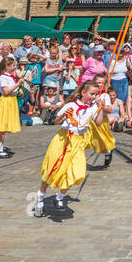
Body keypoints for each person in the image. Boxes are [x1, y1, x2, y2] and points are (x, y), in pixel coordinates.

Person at [33, 79, 102, 217]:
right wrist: (64, 115)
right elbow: (56, 121)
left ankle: (60, 197)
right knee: (53, 168)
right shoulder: (71, 105)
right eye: (92, 94)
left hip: (78, 142)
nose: (94, 97)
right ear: (83, 92)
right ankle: (40, 197)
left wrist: (100, 108)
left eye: (96, 94)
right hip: (63, 139)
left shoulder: (94, 107)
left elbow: (99, 123)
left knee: (75, 170)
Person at [0, 56, 27, 159]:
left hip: (11, 101)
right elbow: (5, 91)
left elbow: (12, 89)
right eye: (13, 65)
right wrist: (17, 84)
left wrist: (19, 91)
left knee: (4, 128)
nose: (15, 67)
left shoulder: (9, 77)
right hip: (6, 101)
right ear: (7, 66)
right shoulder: (3, 77)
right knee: (2, 127)